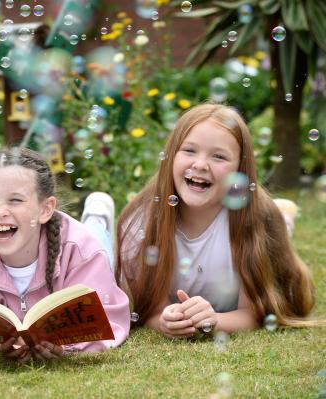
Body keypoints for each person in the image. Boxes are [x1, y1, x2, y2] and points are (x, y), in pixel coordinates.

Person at [115, 103, 319, 338]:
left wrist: (215, 320)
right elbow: (148, 309)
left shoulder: (254, 219)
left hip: (264, 221)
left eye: (219, 156)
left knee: (277, 225)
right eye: (189, 150)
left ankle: (285, 216)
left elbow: (253, 313)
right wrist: (164, 320)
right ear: (170, 157)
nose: (200, 164)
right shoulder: (143, 223)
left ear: (239, 171)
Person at [0, 147, 130, 361]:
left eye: (15, 200)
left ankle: (97, 215)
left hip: (88, 245)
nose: (0, 211)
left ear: (46, 209)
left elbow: (109, 318)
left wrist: (67, 347)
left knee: (98, 239)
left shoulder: (82, 250)